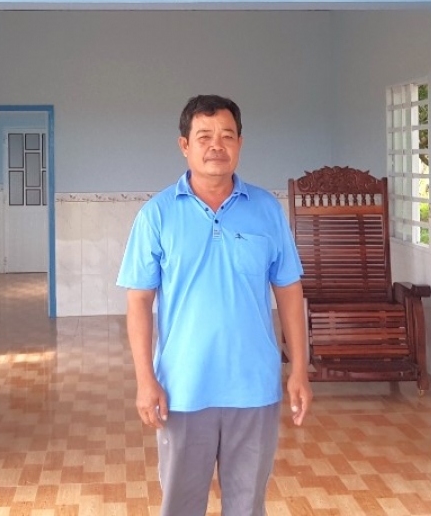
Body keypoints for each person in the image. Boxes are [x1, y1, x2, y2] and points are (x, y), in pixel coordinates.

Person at [116, 94, 312, 516]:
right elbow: (139, 301)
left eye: (227, 135)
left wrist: (299, 368)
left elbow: (289, 291)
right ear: (185, 145)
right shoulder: (157, 215)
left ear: (240, 143)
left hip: (254, 387)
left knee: (247, 506)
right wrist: (145, 379)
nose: (216, 146)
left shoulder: (266, 210)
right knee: (181, 506)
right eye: (204, 136)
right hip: (183, 388)